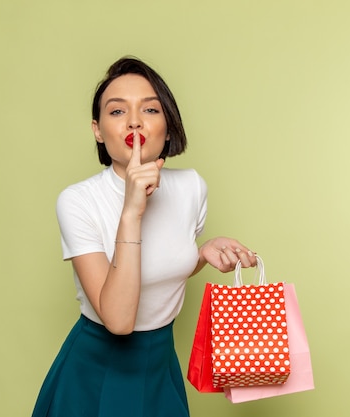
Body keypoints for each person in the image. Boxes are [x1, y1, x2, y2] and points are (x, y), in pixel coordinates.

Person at [31, 56, 257, 417]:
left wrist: (200, 254)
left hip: (160, 365)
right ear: (98, 131)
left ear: (168, 127)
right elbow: (118, 321)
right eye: (117, 111)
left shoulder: (192, 188)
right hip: (97, 369)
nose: (134, 120)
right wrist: (131, 211)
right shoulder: (77, 201)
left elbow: (158, 274)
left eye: (150, 109)